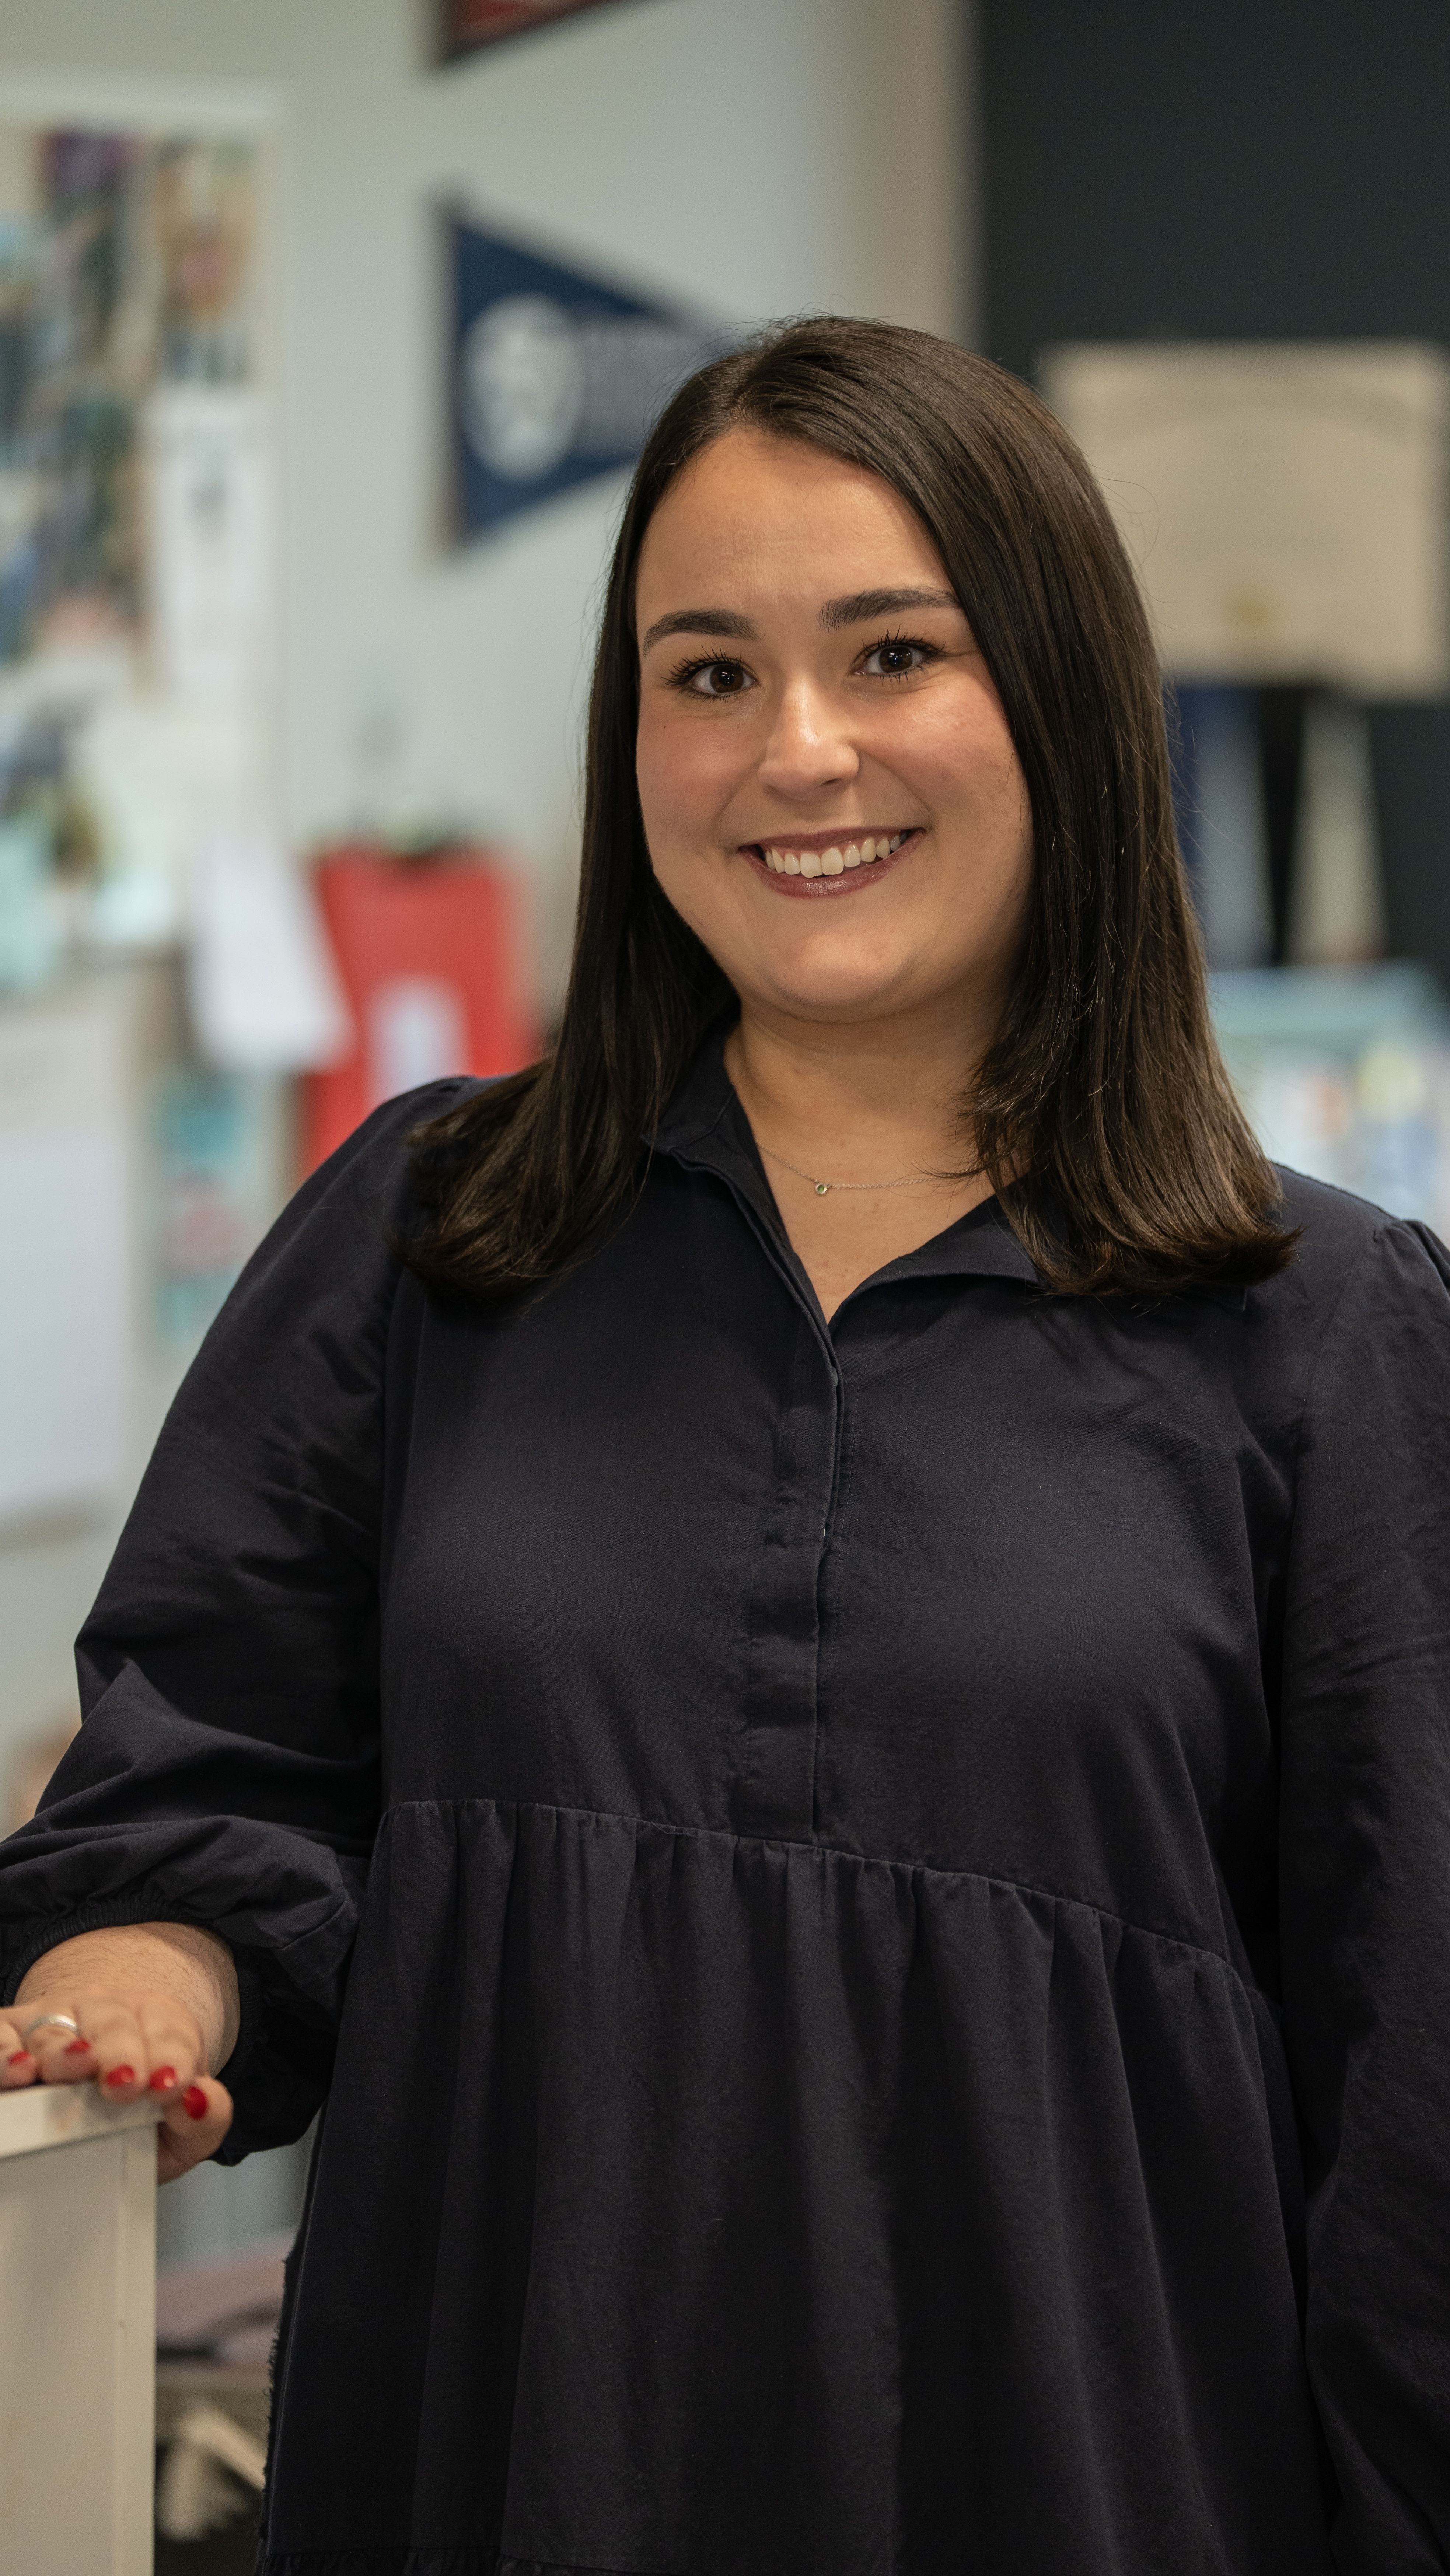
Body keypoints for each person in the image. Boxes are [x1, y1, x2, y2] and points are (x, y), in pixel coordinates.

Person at [1, 317, 1447, 2576]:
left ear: (1058, 699)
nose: (798, 753)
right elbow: (217, 1773)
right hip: (495, 2471)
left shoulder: (1323, 1332)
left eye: (892, 654)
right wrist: (145, 1979)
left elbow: (1417, 2101)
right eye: (706, 674)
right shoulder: (432, 1233)